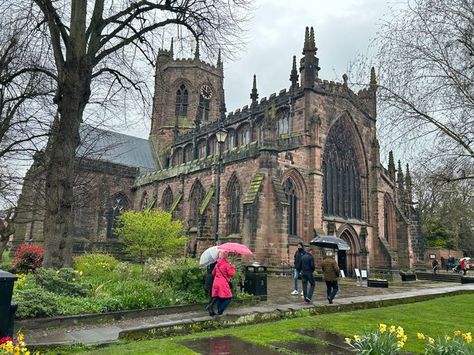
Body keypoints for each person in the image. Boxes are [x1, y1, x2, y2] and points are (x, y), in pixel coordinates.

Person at [211, 251, 235, 315]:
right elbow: (231, 274)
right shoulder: (226, 264)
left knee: (219, 297)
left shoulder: (217, 264)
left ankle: (219, 311)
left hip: (216, 283)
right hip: (223, 283)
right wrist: (232, 266)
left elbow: (213, 273)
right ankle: (220, 311)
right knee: (228, 298)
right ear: (226, 256)